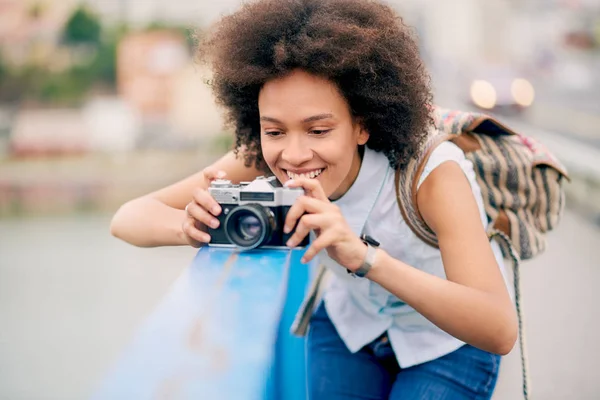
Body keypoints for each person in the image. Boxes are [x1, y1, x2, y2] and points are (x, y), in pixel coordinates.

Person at [110, 0, 518, 398]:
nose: (294, 154)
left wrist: (364, 257)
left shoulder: (431, 174)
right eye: (274, 131)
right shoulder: (262, 158)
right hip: (350, 327)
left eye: (318, 130)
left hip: (447, 344)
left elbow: (497, 328)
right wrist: (189, 228)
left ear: (363, 125)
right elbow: (128, 217)